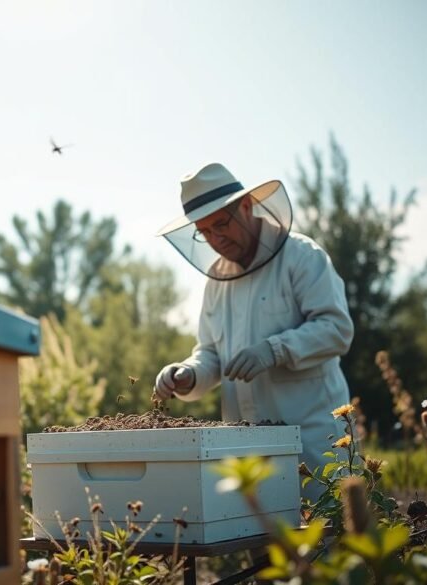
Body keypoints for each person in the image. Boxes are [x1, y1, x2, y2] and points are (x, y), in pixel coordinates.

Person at [152, 162, 354, 502]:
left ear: (246, 207)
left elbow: (336, 329)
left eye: (221, 225)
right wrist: (188, 374)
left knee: (330, 543)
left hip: (316, 442)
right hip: (247, 449)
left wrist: (274, 350)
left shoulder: (302, 256)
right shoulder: (217, 279)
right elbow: (211, 353)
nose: (216, 240)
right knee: (262, 547)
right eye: (205, 232)